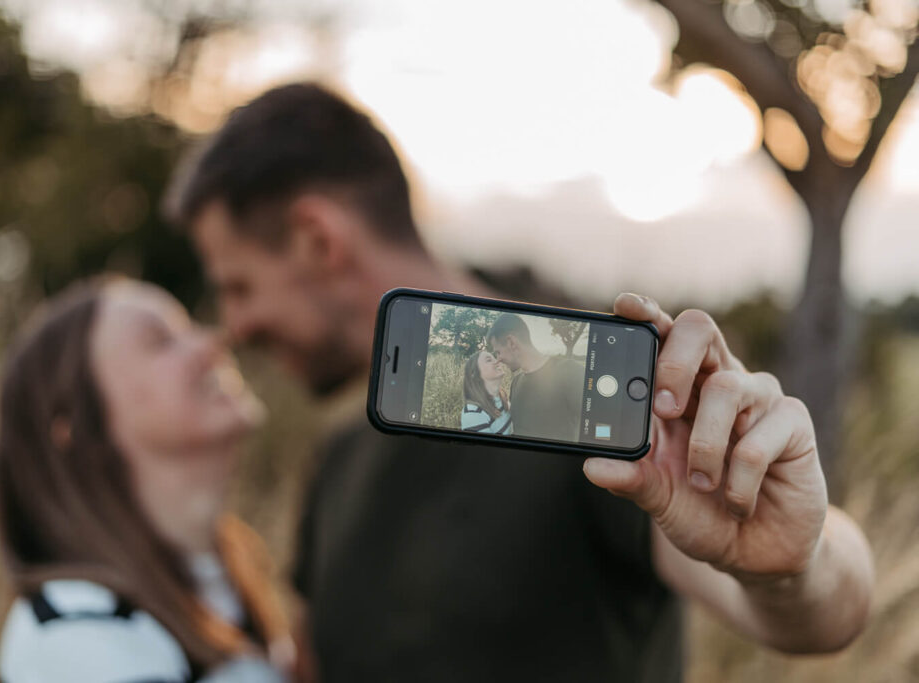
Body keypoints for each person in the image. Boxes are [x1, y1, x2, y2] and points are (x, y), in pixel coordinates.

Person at [167, 82, 874, 682]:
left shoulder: (592, 412)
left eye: (238, 286)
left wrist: (793, 563)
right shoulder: (341, 457)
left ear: (319, 239)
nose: (234, 326)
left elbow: (820, 612)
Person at [0, 277, 297, 683]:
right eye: (161, 341)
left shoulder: (224, 580)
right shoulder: (74, 633)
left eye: (188, 328)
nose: (212, 345)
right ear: (76, 431)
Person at [485, 313, 583, 441]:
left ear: (511, 342)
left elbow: (601, 426)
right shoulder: (516, 383)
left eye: (498, 352)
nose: (498, 360)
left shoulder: (571, 372)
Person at [460, 349, 513, 434]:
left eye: (494, 358)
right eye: (489, 360)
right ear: (474, 374)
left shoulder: (503, 399)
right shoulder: (473, 413)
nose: (497, 361)